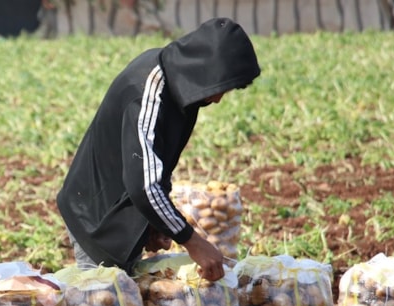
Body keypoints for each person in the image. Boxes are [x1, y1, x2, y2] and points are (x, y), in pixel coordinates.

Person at [56, 17, 261, 281]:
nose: (219, 98)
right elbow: (143, 185)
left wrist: (153, 225)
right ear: (205, 72)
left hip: (118, 211)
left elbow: (154, 163)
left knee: (127, 305)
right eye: (220, 88)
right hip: (95, 218)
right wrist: (192, 241)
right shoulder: (148, 93)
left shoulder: (179, 87)